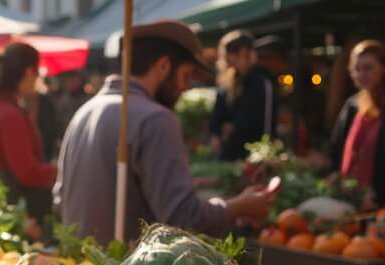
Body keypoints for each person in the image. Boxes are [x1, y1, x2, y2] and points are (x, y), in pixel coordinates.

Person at [55, 20, 275, 245]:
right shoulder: (155, 118)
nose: (185, 87)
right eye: (186, 76)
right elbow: (182, 217)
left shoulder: (84, 111)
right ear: (163, 67)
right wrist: (239, 206)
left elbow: (61, 199)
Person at [0, 43, 56, 226]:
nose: (38, 78)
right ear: (29, 72)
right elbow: (28, 172)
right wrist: (59, 170)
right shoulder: (9, 115)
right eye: (38, 72)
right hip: (20, 217)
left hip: (5, 211)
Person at [330, 39, 385, 209]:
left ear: (383, 68)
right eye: (357, 69)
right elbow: (337, 148)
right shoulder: (353, 106)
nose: (361, 74)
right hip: (351, 200)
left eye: (368, 68)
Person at [209, 30, 277, 160]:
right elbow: (217, 117)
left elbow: (262, 124)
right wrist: (216, 134)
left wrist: (232, 128)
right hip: (228, 154)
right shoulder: (227, 84)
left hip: (253, 156)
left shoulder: (261, 82)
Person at [55, 71, 89, 136]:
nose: (71, 83)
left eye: (74, 80)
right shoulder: (63, 99)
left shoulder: (85, 99)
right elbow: (59, 119)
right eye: (69, 81)